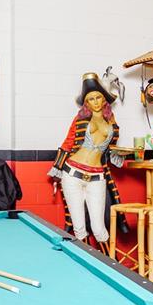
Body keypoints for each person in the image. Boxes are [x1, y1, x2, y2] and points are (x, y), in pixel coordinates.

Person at [50, 73, 122, 244]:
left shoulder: (112, 122)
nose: (95, 102)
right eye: (91, 99)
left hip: (97, 176)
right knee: (79, 228)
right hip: (72, 174)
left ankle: (109, 260)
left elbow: (112, 149)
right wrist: (56, 170)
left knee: (99, 229)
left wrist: (120, 156)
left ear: (104, 100)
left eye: (98, 97)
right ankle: (84, 259)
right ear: (86, 103)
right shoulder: (80, 119)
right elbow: (68, 142)